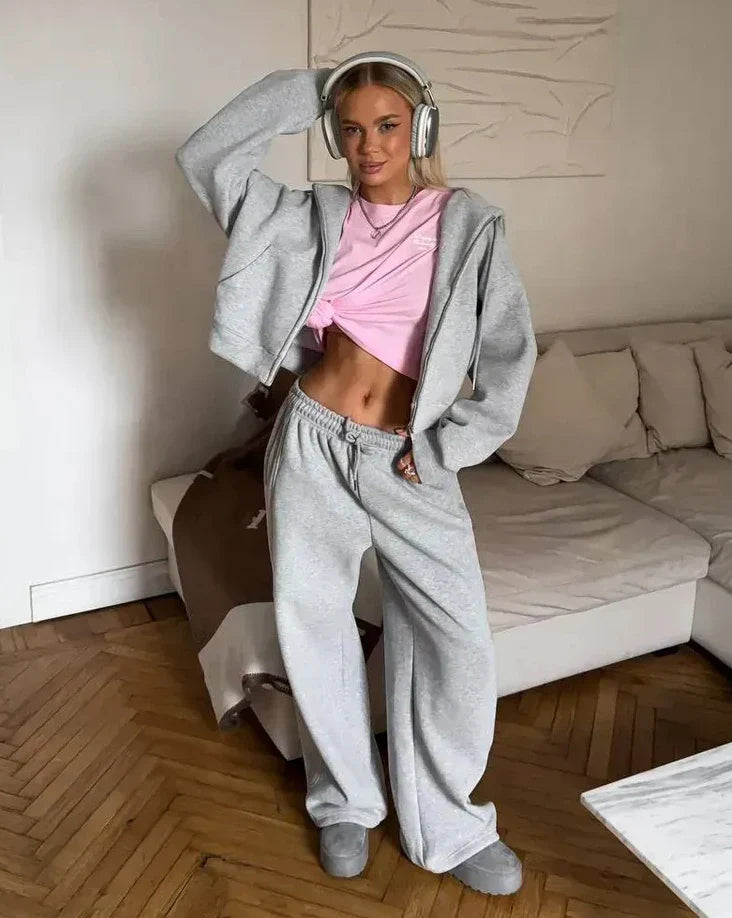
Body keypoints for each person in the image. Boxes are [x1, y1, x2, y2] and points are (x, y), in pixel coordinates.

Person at [174, 50, 537, 897]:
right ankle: (343, 802)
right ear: (334, 135)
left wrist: (448, 447)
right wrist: (313, 88)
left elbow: (509, 354)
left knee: (454, 643)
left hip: (408, 457)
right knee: (316, 625)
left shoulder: (469, 227)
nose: (369, 145)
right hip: (310, 439)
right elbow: (207, 157)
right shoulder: (307, 216)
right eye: (351, 128)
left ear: (422, 128)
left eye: (388, 124)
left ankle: (448, 823)